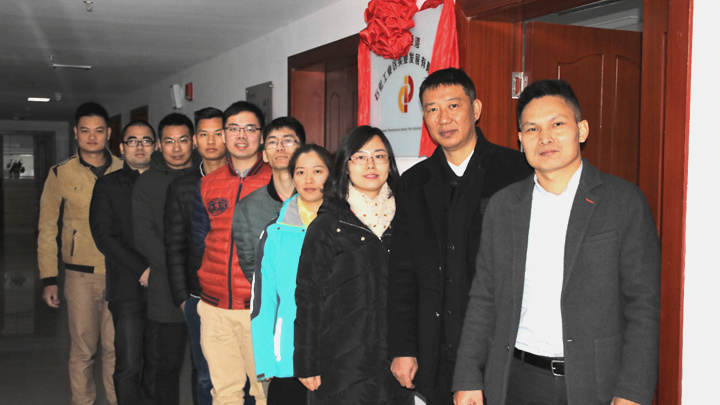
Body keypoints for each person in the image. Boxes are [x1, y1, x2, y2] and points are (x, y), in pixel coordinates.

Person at [452, 79, 661, 405]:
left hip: (595, 383)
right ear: (521, 140)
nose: (545, 137)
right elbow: (484, 297)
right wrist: (467, 376)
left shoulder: (623, 202)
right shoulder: (504, 206)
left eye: (557, 124)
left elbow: (644, 306)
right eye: (532, 129)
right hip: (517, 379)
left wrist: (632, 392)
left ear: (582, 130)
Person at [387, 67, 532, 404]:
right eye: (432, 109)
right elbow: (402, 271)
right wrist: (403, 347)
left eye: (453, 105)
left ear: (475, 109)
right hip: (435, 347)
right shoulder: (413, 183)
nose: (443, 119)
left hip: (501, 346)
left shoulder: (516, 171)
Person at [294, 126, 414, 405]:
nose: (370, 164)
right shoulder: (327, 224)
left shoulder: (407, 221)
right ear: (345, 166)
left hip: (396, 365)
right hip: (339, 366)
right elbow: (308, 296)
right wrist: (306, 360)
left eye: (379, 156)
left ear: (389, 165)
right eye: (360, 157)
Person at [37, 102, 121, 405]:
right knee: (83, 351)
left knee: (116, 349)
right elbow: (47, 227)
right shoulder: (60, 173)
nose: (92, 137)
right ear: (76, 133)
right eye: (85, 131)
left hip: (120, 273)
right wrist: (49, 278)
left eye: (99, 130)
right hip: (80, 276)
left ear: (109, 133)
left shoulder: (125, 169)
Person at [192, 101, 271, 405]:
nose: (241, 135)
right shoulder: (207, 184)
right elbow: (200, 240)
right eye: (234, 128)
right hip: (215, 308)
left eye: (250, 128)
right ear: (224, 135)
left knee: (265, 394)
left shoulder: (278, 182)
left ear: (261, 136)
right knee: (224, 393)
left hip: (259, 309)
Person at [251, 144, 332, 405]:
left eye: (317, 171)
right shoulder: (275, 232)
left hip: (338, 352)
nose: (309, 180)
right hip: (289, 353)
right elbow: (263, 300)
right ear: (293, 178)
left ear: (331, 175)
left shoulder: (348, 227)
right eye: (300, 172)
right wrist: (266, 360)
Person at [132, 113, 200, 405]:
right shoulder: (147, 182)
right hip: (165, 289)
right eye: (169, 141)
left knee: (203, 367)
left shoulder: (207, 176)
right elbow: (144, 234)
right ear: (159, 145)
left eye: (183, 140)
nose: (176, 147)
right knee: (167, 365)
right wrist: (178, 270)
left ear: (193, 141)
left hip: (204, 287)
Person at [90, 120, 157, 404]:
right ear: (121, 147)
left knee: (158, 365)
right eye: (132, 141)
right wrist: (142, 269)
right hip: (127, 288)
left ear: (155, 146)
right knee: (129, 364)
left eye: (146, 140)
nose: (139, 146)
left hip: (164, 289)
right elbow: (104, 236)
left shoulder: (167, 183)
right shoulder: (107, 186)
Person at [165, 107, 228, 405]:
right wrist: (182, 297)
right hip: (197, 295)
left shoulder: (244, 181)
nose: (211, 141)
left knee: (243, 374)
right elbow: (174, 245)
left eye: (218, 133)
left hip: (240, 295)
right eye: (204, 134)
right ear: (194, 140)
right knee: (205, 374)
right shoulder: (182, 186)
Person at [233, 116, 306, 279]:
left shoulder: (321, 200)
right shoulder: (247, 207)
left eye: (288, 141)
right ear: (265, 155)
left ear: (303, 151)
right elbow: (250, 265)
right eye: (272, 142)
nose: (280, 148)